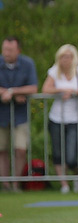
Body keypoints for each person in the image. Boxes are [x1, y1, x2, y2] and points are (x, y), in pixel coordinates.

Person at [41, 44, 78, 194]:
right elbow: (46, 89)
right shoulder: (54, 71)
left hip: (75, 118)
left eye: (69, 56)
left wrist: (74, 91)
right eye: (63, 57)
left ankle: (77, 175)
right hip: (56, 117)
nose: (66, 60)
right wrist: (61, 90)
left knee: (71, 155)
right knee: (57, 152)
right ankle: (64, 184)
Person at [0, 36, 38, 192]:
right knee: (1, 150)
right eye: (4, 49)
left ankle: (16, 183)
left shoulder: (27, 64)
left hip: (20, 115)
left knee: (20, 149)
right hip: (1, 114)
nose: (6, 53)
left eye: (10, 50)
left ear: (18, 51)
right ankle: (5, 184)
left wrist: (12, 91)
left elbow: (33, 88)